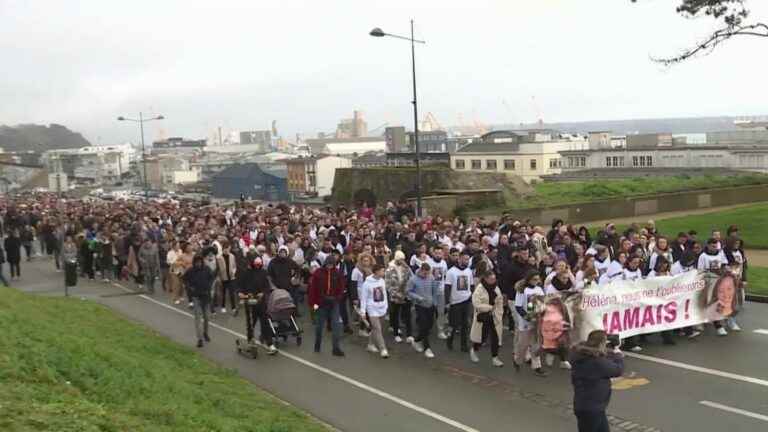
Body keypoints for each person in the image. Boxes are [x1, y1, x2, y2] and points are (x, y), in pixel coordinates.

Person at [570, 330, 624, 432]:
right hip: (592, 409)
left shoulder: (580, 355)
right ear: (601, 344)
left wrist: (611, 351)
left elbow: (600, 354)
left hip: (589, 406)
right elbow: (617, 370)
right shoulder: (597, 362)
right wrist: (617, 354)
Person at [308, 256, 345, 356]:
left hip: (334, 303)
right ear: (325, 263)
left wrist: (337, 298)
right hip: (321, 303)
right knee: (319, 326)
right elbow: (313, 289)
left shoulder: (337, 273)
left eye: (331, 265)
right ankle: (317, 345)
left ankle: (336, 348)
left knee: (336, 325)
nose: (329, 267)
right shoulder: (318, 273)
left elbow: (341, 288)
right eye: (328, 264)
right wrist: (313, 303)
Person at [238, 257, 276, 354]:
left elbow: (267, 286)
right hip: (250, 302)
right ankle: (250, 341)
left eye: (260, 264)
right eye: (256, 264)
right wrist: (242, 294)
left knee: (265, 323)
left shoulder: (263, 273)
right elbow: (240, 287)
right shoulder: (246, 273)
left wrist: (263, 293)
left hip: (261, 302)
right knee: (251, 324)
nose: (258, 266)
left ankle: (270, 343)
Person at [513, 271, 547, 376]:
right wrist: (527, 317)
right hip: (525, 321)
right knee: (523, 344)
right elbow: (518, 307)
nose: (536, 282)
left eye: (538, 279)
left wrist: (542, 314)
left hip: (537, 321)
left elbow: (543, 303)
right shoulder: (522, 290)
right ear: (529, 279)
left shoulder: (539, 289)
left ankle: (537, 366)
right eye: (534, 279)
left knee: (536, 344)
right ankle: (517, 360)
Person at [470, 272, 504, 367]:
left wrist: (499, 313)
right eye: (491, 279)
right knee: (482, 337)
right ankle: (474, 349)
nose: (494, 281)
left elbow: (500, 301)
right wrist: (489, 307)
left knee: (495, 338)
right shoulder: (479, 289)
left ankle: (495, 358)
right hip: (483, 317)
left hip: (494, 316)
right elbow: (476, 303)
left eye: (494, 279)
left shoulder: (496, 288)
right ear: (486, 279)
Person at [407, 262, 439, 359]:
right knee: (423, 325)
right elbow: (408, 291)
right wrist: (418, 298)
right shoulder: (413, 279)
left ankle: (416, 340)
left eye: (428, 273)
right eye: (425, 273)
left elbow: (434, 290)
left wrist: (435, 302)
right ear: (421, 270)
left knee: (429, 325)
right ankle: (427, 348)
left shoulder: (431, 277)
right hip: (420, 305)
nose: (426, 275)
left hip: (430, 305)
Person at [183, 255, 216, 348]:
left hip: (206, 297)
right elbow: (185, 280)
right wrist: (190, 288)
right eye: (196, 262)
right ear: (194, 262)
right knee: (198, 318)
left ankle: (205, 333)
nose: (198, 264)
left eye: (200, 262)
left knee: (206, 317)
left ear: (202, 262)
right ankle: (200, 338)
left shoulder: (207, 269)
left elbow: (212, 278)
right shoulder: (190, 271)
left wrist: (209, 287)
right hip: (196, 297)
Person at [444, 251, 473, 352]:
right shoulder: (451, 272)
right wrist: (447, 302)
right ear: (459, 259)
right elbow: (447, 287)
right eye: (465, 259)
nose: (467, 261)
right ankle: (449, 340)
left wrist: (471, 297)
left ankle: (464, 345)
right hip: (455, 302)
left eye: (468, 259)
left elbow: (471, 286)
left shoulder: (469, 271)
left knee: (465, 325)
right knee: (453, 324)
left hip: (466, 301)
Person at [359, 263, 390, 358]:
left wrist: (386, 305)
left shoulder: (382, 281)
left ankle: (370, 345)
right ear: (376, 272)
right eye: (382, 270)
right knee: (377, 329)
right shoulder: (367, 284)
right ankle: (383, 349)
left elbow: (384, 294)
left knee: (375, 329)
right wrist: (363, 311)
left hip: (382, 308)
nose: (384, 272)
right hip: (372, 309)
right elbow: (363, 298)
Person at [385, 250, 413, 343]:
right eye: (400, 259)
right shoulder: (390, 269)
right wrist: (395, 294)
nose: (402, 261)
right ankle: (396, 333)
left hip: (405, 294)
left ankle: (409, 334)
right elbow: (388, 284)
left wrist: (408, 267)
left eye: (403, 259)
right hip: (395, 295)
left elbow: (411, 278)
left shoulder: (406, 268)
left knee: (408, 315)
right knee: (395, 315)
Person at [216, 241, 238, 314]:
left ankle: (233, 307)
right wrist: (218, 277)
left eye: (228, 249)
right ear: (223, 249)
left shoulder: (232, 256)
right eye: (225, 249)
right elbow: (217, 268)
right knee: (224, 292)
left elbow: (234, 266)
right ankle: (223, 306)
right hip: (223, 277)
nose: (227, 250)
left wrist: (234, 271)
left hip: (231, 277)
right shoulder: (219, 257)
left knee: (232, 293)